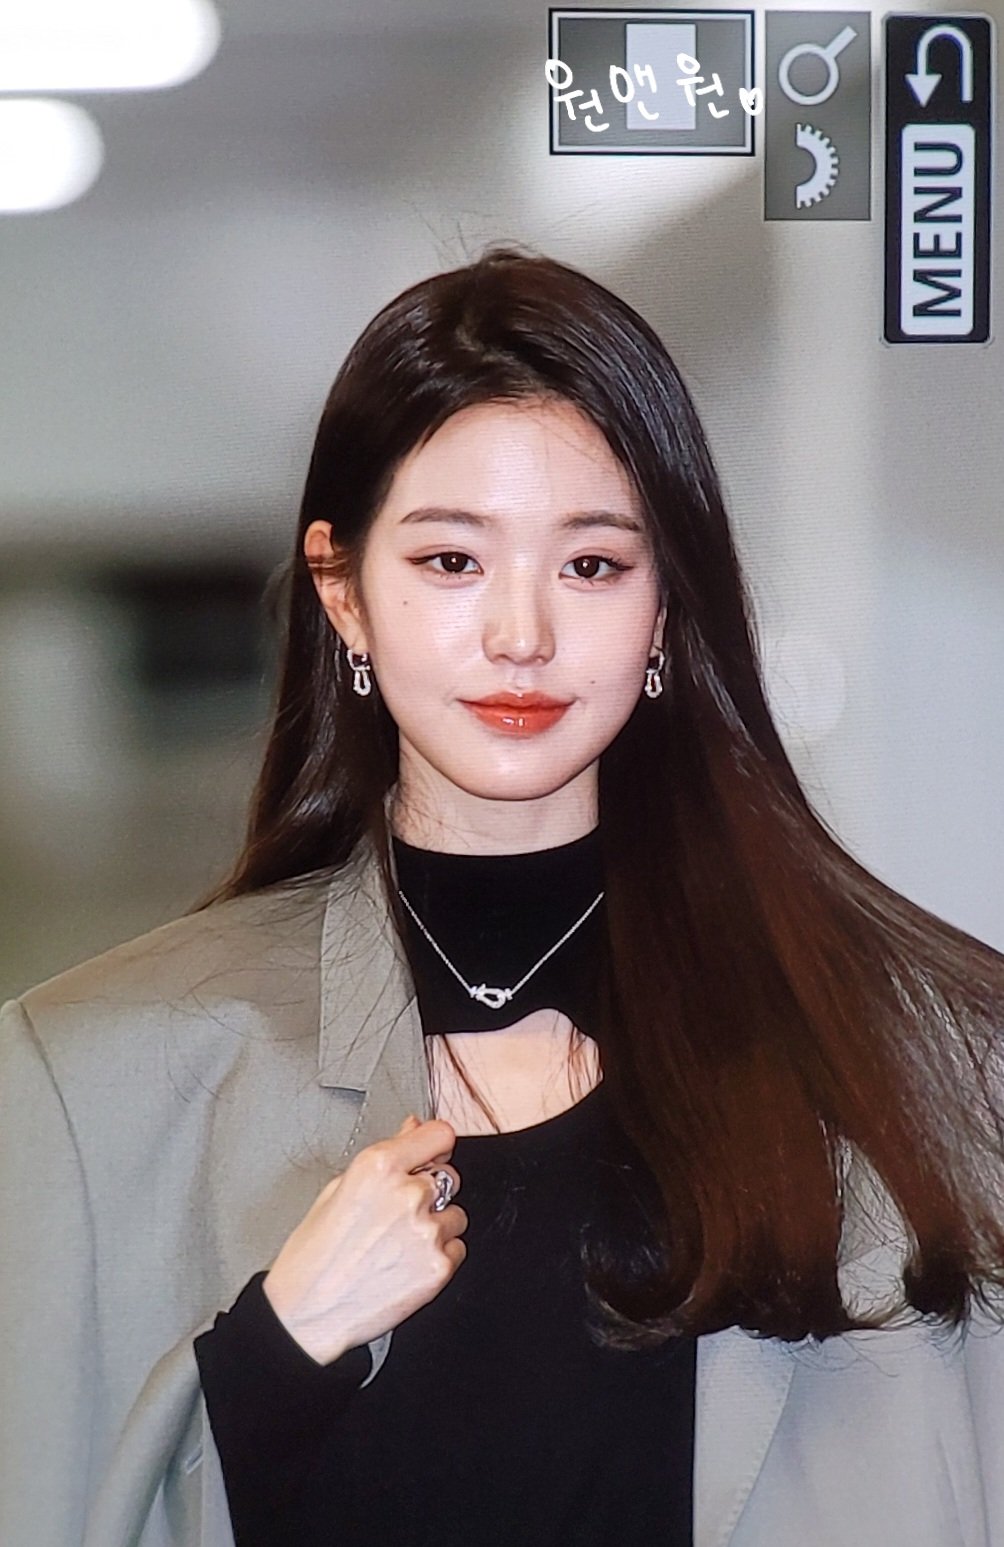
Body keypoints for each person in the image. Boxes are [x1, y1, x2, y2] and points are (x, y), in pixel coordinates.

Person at [2, 243, 1004, 1547]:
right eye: (451, 562)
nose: (522, 634)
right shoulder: (96, 1083)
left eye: (591, 566)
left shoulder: (924, 1066)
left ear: (666, 607)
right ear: (342, 593)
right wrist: (267, 1362)